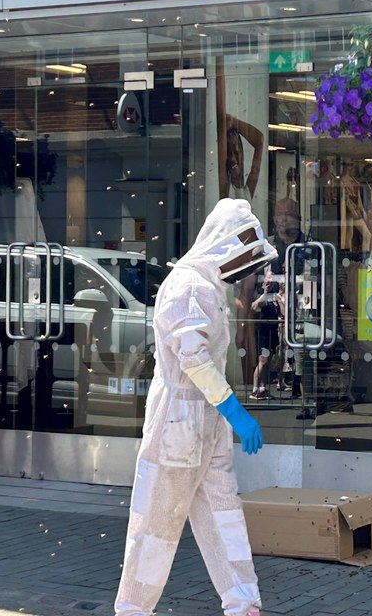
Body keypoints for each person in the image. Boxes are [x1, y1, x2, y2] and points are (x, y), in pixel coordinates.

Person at [115, 198, 275, 616]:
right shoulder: (188, 286)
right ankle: (133, 609)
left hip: (204, 423)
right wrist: (235, 412)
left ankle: (244, 604)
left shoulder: (205, 285)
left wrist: (227, 415)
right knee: (156, 525)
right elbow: (194, 357)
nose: (246, 265)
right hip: (180, 422)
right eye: (244, 255)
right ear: (224, 244)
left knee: (225, 518)